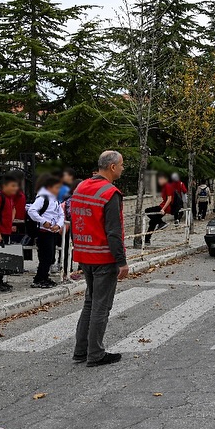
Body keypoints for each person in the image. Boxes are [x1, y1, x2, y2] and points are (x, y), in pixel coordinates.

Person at [72, 150, 128, 367]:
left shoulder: (81, 187)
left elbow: (76, 220)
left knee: (90, 302)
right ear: (112, 167)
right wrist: (121, 261)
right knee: (101, 307)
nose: (123, 168)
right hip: (103, 257)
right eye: (121, 165)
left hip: (84, 254)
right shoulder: (110, 193)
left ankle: (81, 351)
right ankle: (95, 354)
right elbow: (114, 232)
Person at [27, 171, 65, 289]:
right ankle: (39, 279)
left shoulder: (55, 200)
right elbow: (32, 211)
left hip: (52, 232)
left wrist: (58, 225)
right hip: (43, 232)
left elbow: (61, 215)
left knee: (50, 256)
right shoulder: (42, 198)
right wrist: (43, 221)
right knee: (45, 257)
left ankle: (44, 276)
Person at [0, 174, 22, 293]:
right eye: (13, 186)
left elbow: (13, 209)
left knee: (3, 258)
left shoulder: (9, 198)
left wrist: (10, 223)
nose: (15, 188)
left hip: (5, 231)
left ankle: (0, 280)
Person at [144, 173, 173, 245]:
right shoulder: (164, 187)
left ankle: (161, 223)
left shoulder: (168, 186)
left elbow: (169, 199)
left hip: (164, 207)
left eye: (160, 179)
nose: (159, 181)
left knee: (147, 210)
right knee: (152, 222)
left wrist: (163, 209)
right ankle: (147, 240)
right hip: (163, 206)